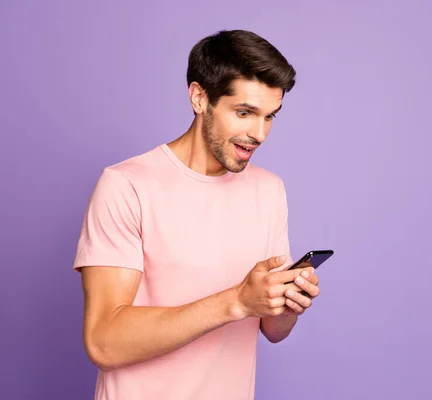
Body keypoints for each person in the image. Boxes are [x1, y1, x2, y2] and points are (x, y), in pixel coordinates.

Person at [72, 29, 320, 400]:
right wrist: (236, 301)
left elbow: (272, 329)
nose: (259, 133)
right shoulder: (126, 185)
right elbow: (103, 341)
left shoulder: (269, 190)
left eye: (270, 116)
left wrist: (286, 304)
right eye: (244, 112)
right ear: (199, 97)